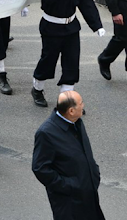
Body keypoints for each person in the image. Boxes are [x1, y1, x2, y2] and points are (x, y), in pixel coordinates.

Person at [31, 0, 104, 107]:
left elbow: (86, 3)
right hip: (51, 26)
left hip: (71, 27)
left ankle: (65, 98)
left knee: (71, 62)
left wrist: (97, 25)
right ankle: (37, 88)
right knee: (48, 60)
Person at [32, 91, 104, 220]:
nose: (83, 105)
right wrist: (69, 186)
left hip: (88, 193)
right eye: (81, 103)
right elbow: (40, 168)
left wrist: (94, 173)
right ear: (71, 111)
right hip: (69, 202)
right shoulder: (46, 133)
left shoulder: (76, 122)